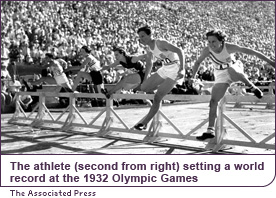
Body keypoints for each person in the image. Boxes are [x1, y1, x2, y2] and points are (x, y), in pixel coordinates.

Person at [192, 29, 275, 140]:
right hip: (220, 74)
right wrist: (193, 76)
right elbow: (197, 62)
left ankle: (251, 86)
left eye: (214, 41)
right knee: (213, 101)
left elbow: (252, 52)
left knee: (231, 69)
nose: (211, 45)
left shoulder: (229, 47)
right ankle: (210, 130)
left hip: (235, 69)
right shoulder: (207, 50)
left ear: (221, 41)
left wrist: (270, 62)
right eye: (209, 42)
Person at [134, 25, 185, 130]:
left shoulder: (160, 43)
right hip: (164, 68)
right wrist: (145, 81)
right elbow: (149, 64)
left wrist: (183, 69)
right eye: (139, 37)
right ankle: (162, 87)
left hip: (175, 69)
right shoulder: (148, 48)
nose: (141, 39)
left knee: (157, 97)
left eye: (143, 36)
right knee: (144, 88)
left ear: (150, 35)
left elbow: (180, 51)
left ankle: (144, 123)